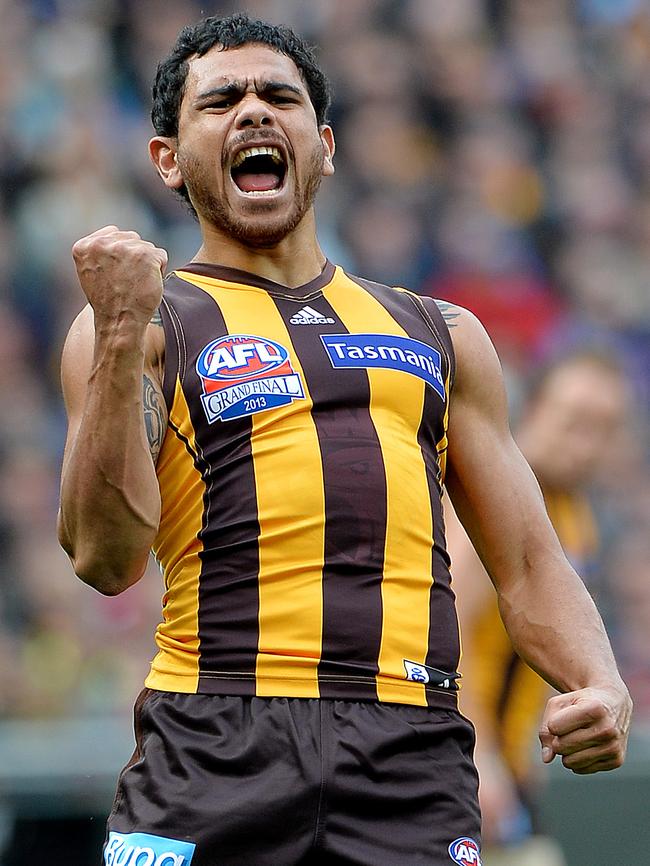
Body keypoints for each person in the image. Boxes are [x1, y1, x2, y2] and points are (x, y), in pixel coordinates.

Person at [57, 14, 631, 866]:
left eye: (279, 96)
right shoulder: (144, 326)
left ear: (322, 146)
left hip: (411, 754)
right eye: (221, 101)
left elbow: (529, 561)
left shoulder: (440, 334)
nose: (254, 112)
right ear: (168, 160)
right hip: (215, 737)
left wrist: (600, 682)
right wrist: (114, 331)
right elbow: (105, 559)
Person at [445, 351, 632, 866]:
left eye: (604, 429)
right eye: (575, 423)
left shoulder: (573, 511)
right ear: (530, 411)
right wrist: (479, 758)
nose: (587, 446)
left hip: (511, 765)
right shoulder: (495, 498)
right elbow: (445, 627)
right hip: (462, 766)